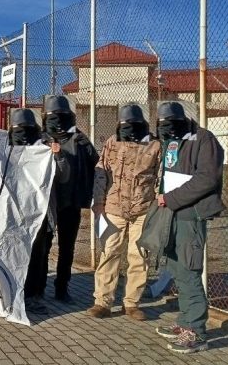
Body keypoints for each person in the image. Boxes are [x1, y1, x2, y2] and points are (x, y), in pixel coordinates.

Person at [153, 101, 223, 353]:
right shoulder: (173, 140)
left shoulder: (204, 139)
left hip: (191, 215)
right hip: (172, 213)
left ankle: (196, 332)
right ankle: (185, 322)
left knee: (189, 269)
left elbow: (207, 178)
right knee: (177, 268)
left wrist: (170, 198)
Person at [88, 104, 161, 321]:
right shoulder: (113, 142)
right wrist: (98, 202)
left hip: (143, 209)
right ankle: (102, 302)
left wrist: (158, 204)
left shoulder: (155, 145)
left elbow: (160, 177)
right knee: (109, 252)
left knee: (139, 255)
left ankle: (131, 303)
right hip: (113, 208)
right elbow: (101, 174)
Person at [9, 108, 68, 315]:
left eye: (26, 129)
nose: (22, 134)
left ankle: (33, 296)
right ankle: (12, 293)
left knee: (37, 257)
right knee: (13, 254)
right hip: (13, 213)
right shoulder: (5, 148)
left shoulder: (45, 149)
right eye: (18, 130)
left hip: (40, 214)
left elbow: (63, 176)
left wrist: (58, 155)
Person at [41, 95, 98, 304]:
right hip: (46, 203)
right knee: (43, 247)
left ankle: (62, 288)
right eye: (53, 117)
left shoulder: (79, 139)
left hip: (71, 201)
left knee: (67, 248)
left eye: (62, 116)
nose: (58, 122)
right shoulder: (40, 138)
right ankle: (39, 287)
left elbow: (96, 163)